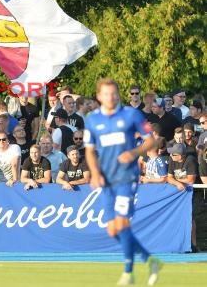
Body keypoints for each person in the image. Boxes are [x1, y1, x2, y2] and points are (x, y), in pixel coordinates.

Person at [84, 78, 161, 286]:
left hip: (127, 177)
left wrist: (134, 153)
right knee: (112, 230)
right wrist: (94, 172)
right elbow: (90, 150)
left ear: (118, 95)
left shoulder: (131, 114)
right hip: (106, 179)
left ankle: (128, 273)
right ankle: (150, 260)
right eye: (106, 94)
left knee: (122, 223)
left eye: (113, 93)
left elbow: (152, 140)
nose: (110, 97)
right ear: (99, 96)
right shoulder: (92, 120)